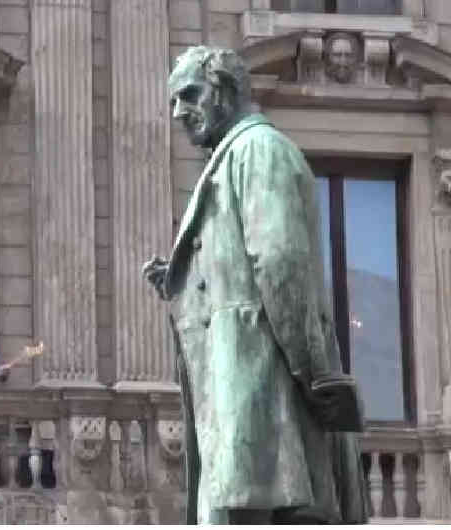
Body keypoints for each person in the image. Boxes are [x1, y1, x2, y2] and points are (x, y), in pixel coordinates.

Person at [142, 46, 368, 524]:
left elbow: (282, 267)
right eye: (173, 103)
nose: (178, 113)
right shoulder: (230, 160)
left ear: (225, 89)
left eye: (188, 95)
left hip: (267, 411)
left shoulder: (259, 150)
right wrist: (184, 277)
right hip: (242, 414)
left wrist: (315, 379)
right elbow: (246, 267)